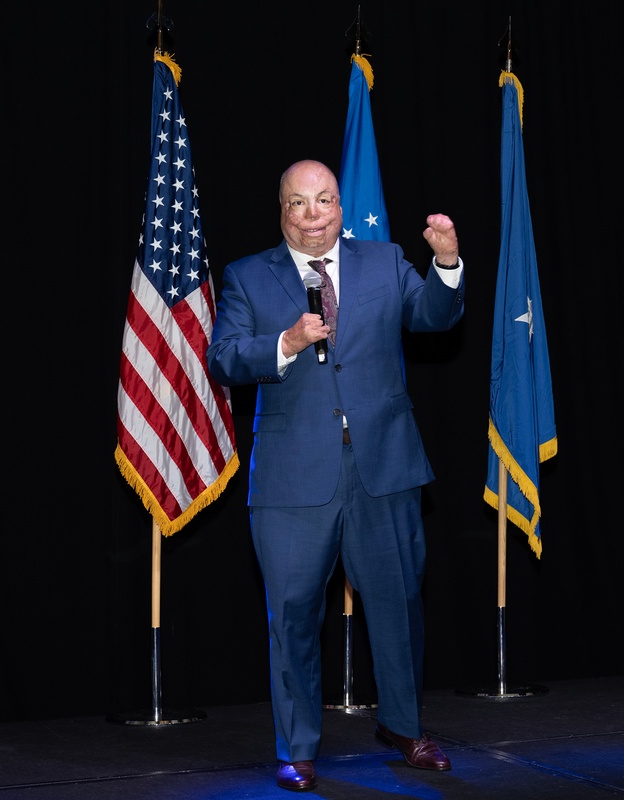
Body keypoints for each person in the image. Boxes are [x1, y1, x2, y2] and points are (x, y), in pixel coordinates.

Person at [206, 159, 464, 792]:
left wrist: (448, 265)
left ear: (342, 208)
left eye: (324, 201)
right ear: (283, 211)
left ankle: (404, 727)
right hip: (294, 479)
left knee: (399, 604)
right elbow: (225, 355)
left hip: (385, 466)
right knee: (293, 612)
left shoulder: (383, 260)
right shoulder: (247, 276)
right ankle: (296, 748)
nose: (314, 215)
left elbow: (433, 316)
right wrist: (286, 344)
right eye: (299, 203)